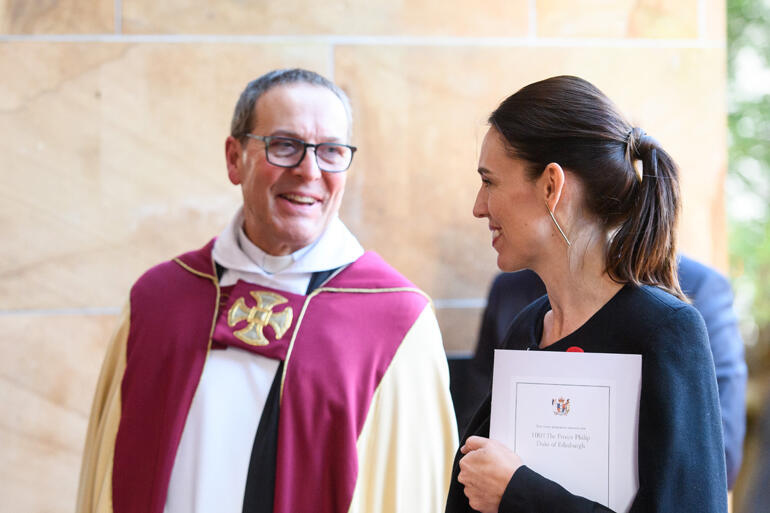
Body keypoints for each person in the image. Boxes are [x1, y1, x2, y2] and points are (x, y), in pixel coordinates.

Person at [76, 68, 458, 513]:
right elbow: (110, 476)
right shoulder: (158, 303)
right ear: (234, 158)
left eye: (331, 151)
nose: (309, 171)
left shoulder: (396, 323)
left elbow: (413, 492)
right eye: (285, 146)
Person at [445, 75, 727, 512]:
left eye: (490, 181)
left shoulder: (664, 331)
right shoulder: (526, 325)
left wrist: (519, 494)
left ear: (551, 186)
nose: (479, 206)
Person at [465, 255, 747, 488]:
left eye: (491, 184)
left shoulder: (696, 291)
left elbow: (721, 455)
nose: (481, 208)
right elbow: (475, 415)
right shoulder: (512, 293)